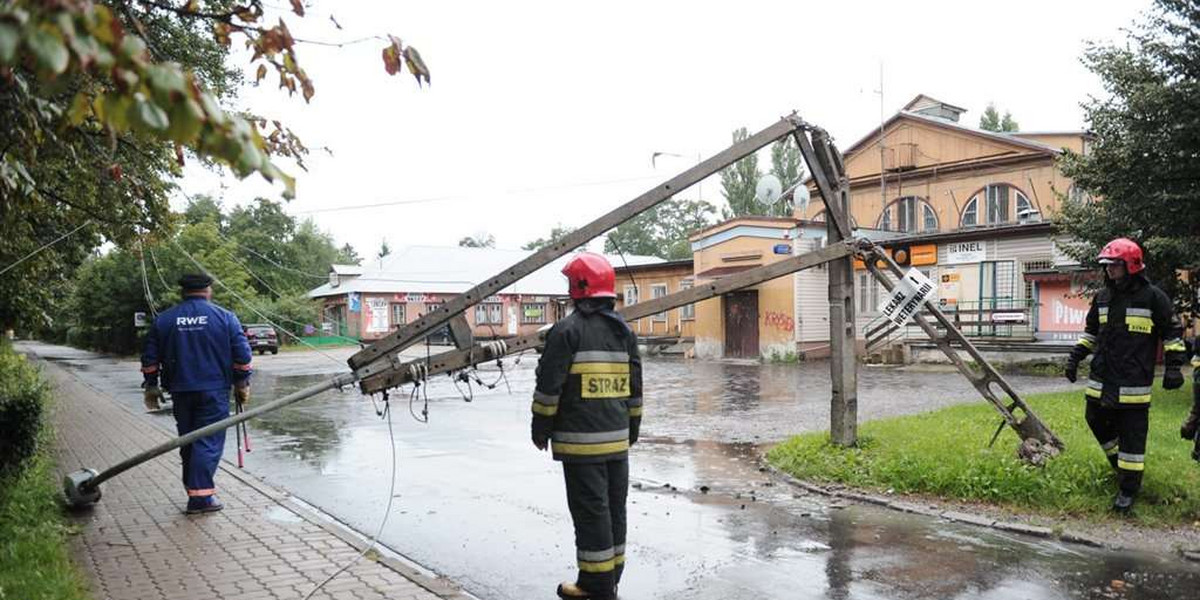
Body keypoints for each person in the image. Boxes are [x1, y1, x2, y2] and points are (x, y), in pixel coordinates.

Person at [532, 253, 642, 600]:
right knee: (615, 511)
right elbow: (635, 385)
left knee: (591, 513)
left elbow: (550, 387)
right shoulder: (624, 331)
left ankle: (595, 588)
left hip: (581, 446)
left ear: (579, 288)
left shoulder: (566, 331)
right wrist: (632, 428)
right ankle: (611, 579)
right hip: (616, 443)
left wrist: (540, 426)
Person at [1065, 238, 1186, 513]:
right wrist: (1075, 357)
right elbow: (1091, 332)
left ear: (1131, 265)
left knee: (1132, 435)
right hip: (1102, 378)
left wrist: (1174, 366)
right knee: (1094, 418)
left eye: (1114, 265)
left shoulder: (1153, 297)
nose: (1109, 270)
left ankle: (1128, 490)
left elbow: (1172, 333)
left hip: (1133, 381)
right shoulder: (1103, 297)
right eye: (1106, 266)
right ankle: (1119, 466)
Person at [141, 273, 253, 514]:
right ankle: (201, 498)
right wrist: (242, 384)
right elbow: (242, 356)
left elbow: (150, 357)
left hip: (180, 391)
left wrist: (151, 384)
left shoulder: (165, 320)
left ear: (183, 292)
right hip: (213, 391)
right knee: (208, 441)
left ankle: (193, 487)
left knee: (189, 440)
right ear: (208, 290)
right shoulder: (225, 318)